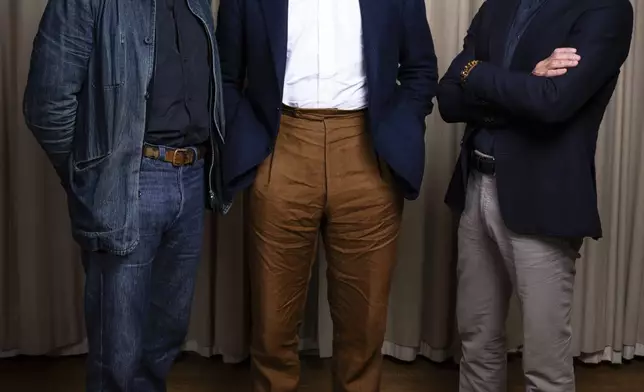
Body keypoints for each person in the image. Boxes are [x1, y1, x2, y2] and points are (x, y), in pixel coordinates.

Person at [216, 0, 438, 390]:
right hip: (282, 143)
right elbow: (224, 75)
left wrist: (397, 132)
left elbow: (420, 69)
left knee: (363, 326)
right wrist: (251, 143)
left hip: (366, 149)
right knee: (271, 324)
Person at [23, 0, 229, 390]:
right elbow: (46, 104)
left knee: (164, 337)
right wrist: (94, 176)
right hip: (130, 181)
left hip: (192, 178)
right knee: (117, 351)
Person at [438, 0, 634, 391]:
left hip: (543, 199)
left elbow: (552, 103)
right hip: (476, 185)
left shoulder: (606, 10)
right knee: (476, 345)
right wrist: (525, 81)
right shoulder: (498, 5)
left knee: (545, 367)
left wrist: (477, 72)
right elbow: (447, 97)